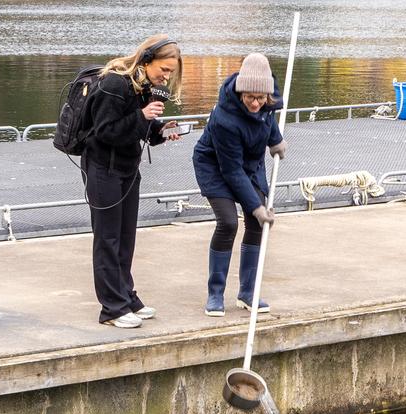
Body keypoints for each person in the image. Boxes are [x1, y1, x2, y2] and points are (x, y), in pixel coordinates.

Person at [82, 34, 184, 328]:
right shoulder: (115, 83)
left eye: (170, 72)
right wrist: (142, 115)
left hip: (127, 168)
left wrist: (161, 131)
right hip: (103, 169)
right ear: (147, 59)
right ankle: (111, 308)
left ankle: (126, 296)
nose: (166, 77)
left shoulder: (145, 87)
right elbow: (105, 132)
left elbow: (140, 131)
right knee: (108, 238)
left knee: (126, 236)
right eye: (163, 69)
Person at [192, 52, 287, 317]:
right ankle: (215, 293)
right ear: (241, 92)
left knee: (257, 224)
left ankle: (248, 292)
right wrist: (256, 206)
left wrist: (275, 140)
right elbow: (231, 171)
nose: (255, 103)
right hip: (216, 166)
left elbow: (268, 116)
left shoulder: (267, 97)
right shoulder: (225, 118)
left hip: (250, 163)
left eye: (260, 98)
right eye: (249, 98)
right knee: (228, 223)